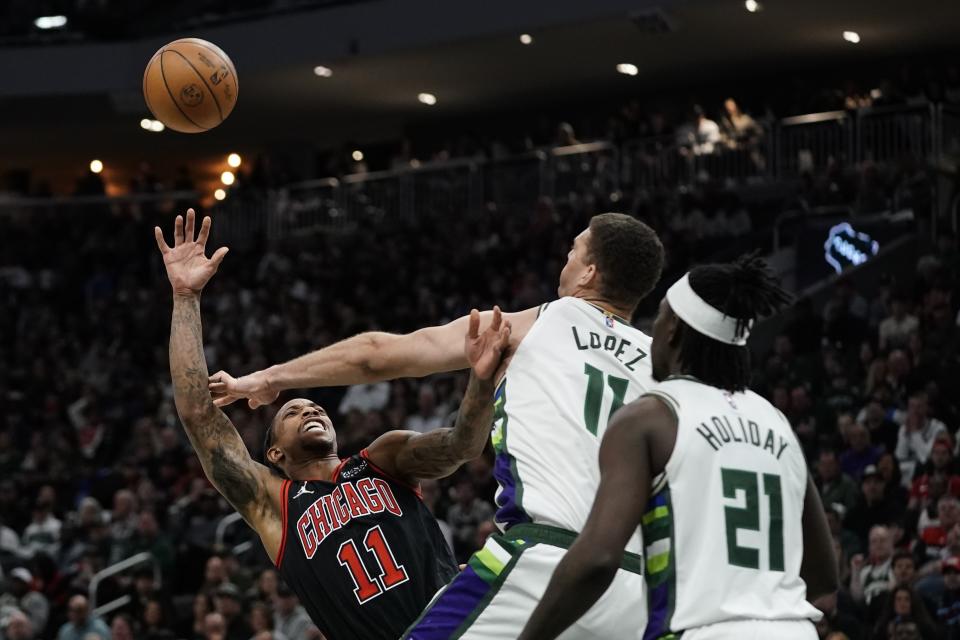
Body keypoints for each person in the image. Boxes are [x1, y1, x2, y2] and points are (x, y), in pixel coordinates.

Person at [209, 212, 665, 638]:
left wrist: (269, 377)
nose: (565, 259)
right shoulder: (660, 369)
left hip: (551, 558)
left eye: (574, 250)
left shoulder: (543, 322)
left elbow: (375, 355)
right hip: (641, 591)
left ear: (588, 274)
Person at [155, 210, 509, 640]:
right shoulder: (275, 505)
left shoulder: (383, 458)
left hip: (459, 628)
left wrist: (481, 379)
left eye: (315, 408)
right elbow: (198, 415)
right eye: (293, 411)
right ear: (275, 454)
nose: (311, 411)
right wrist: (186, 298)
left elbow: (461, 446)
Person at [518, 255, 838, 640]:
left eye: (660, 317)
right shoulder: (775, 421)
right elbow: (824, 578)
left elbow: (599, 559)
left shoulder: (651, 416)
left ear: (673, 332)